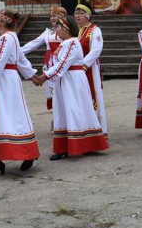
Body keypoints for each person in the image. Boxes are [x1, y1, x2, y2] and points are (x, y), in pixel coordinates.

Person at [0, 10, 40, 176]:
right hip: (3, 80)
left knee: (10, 116)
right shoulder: (11, 37)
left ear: (2, 22)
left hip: (4, 81)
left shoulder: (5, 38)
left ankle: (27, 152)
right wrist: (32, 75)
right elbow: (20, 59)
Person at [34, 16, 109, 159]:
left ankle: (84, 144)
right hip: (64, 80)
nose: (56, 30)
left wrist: (44, 77)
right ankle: (63, 146)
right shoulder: (64, 43)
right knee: (61, 110)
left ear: (66, 28)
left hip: (73, 81)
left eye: (58, 27)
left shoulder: (73, 43)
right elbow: (58, 64)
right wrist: (48, 75)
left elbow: (63, 64)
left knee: (74, 109)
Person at [21, 5, 66, 110]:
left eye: (55, 16)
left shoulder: (68, 31)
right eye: (51, 16)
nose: (52, 18)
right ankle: (57, 120)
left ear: (63, 16)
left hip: (63, 63)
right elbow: (32, 44)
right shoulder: (48, 32)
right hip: (50, 64)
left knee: (65, 91)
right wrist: (15, 50)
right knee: (53, 91)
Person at [74, 4, 108, 136]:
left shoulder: (94, 30)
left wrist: (82, 66)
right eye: (76, 13)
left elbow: (95, 50)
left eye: (81, 13)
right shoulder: (76, 30)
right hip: (77, 70)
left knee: (92, 95)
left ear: (88, 15)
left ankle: (96, 130)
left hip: (89, 68)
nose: (77, 15)